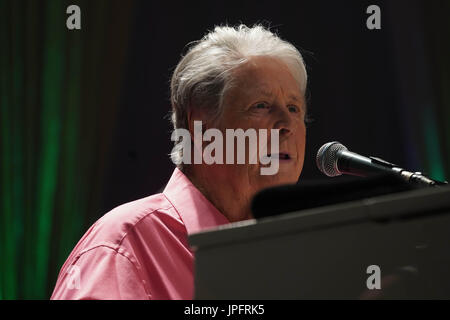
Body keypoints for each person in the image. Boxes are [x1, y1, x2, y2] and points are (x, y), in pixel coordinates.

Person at [51, 24, 308, 300]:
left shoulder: (304, 258)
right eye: (262, 106)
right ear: (201, 128)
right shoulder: (124, 247)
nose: (287, 124)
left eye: (294, 108)